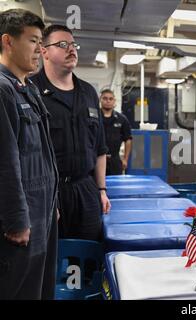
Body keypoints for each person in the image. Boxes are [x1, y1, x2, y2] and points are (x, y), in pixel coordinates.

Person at [31, 25, 110, 241]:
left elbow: (100, 149)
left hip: (86, 189)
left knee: (88, 258)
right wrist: (43, 199)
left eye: (73, 44)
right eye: (62, 44)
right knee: (51, 262)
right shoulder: (32, 91)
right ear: (44, 50)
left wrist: (101, 190)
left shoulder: (88, 93)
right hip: (49, 192)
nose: (71, 49)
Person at [0, 9, 58, 299]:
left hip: (41, 214)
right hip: (20, 225)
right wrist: (17, 220)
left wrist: (52, 203)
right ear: (8, 42)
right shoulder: (2, 90)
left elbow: (42, 156)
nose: (41, 49)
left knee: (40, 290)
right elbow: (5, 163)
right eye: (34, 41)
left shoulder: (29, 89)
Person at [100, 89, 132, 175]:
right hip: (97, 159)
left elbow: (128, 139)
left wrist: (125, 159)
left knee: (115, 186)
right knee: (96, 186)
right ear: (100, 100)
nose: (108, 101)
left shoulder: (122, 119)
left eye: (110, 99)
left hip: (114, 160)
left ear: (114, 101)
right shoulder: (94, 118)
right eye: (105, 98)